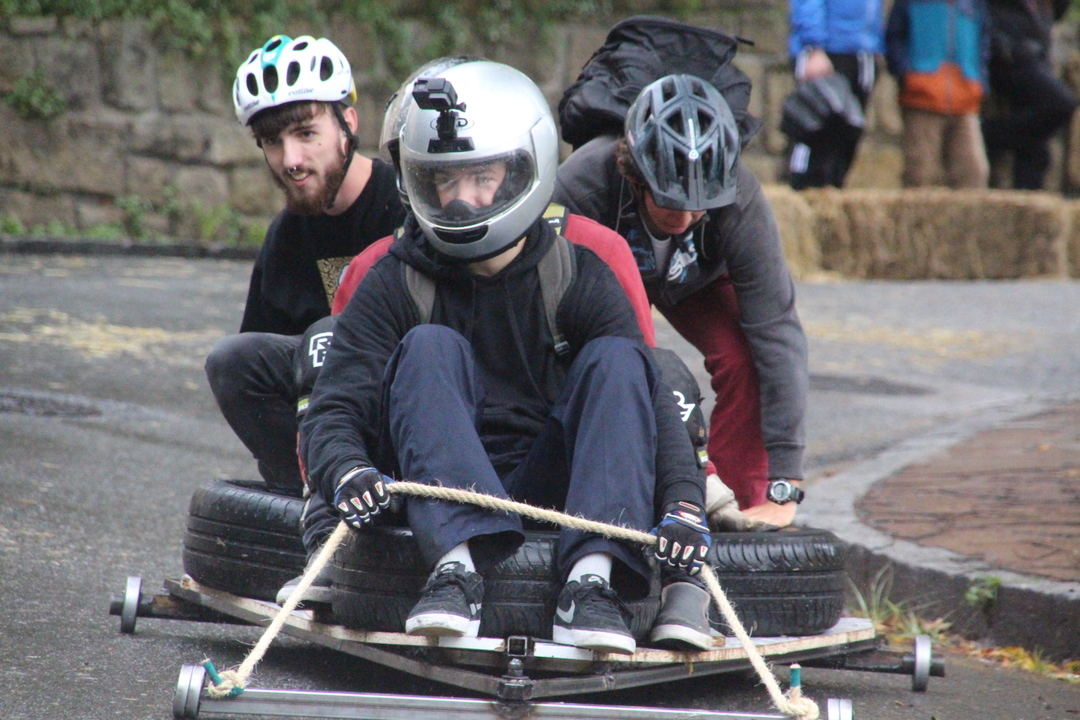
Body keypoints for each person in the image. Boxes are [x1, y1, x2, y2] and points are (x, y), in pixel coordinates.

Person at [300, 60, 715, 653]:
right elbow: (334, 408)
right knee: (429, 346)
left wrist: (682, 506)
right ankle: (455, 572)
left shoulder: (578, 274)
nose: (461, 199)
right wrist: (347, 471)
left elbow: (648, 402)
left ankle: (589, 584)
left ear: (524, 171)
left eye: (482, 176)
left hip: (557, 489)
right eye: (444, 180)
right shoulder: (393, 280)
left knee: (623, 360)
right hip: (433, 489)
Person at [552, 74, 809, 529]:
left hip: (695, 281)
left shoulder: (740, 195)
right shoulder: (579, 186)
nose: (687, 217)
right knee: (625, 367)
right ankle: (657, 490)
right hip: (608, 275)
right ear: (635, 176)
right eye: (671, 203)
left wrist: (785, 479)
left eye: (701, 205)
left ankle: (733, 504)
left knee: (744, 357)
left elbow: (777, 329)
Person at [203, 34, 406, 604]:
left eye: (306, 134)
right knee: (232, 360)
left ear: (348, 123)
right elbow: (256, 363)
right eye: (272, 142)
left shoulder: (405, 207)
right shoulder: (286, 237)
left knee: (328, 336)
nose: (290, 160)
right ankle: (308, 506)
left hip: (405, 408)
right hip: (324, 433)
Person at [886, 0, 991, 188]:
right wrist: (907, 76)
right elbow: (894, 38)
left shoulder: (974, 4)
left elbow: (983, 41)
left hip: (965, 98)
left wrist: (979, 81)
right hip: (922, 97)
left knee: (973, 172)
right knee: (921, 173)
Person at [787, 0, 884, 189]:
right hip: (828, 53)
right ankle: (802, 188)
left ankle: (833, 189)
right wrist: (813, 47)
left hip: (863, 52)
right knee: (815, 131)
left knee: (847, 135)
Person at [981, 0, 1076, 190]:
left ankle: (1027, 194)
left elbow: (1059, 10)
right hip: (1008, 51)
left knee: (1037, 143)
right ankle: (986, 136)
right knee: (1060, 104)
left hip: (1036, 51)